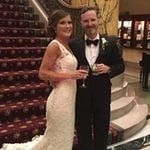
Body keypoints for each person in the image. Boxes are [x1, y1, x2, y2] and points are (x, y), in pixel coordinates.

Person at [1, 9, 88, 150]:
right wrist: (70, 75)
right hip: (60, 101)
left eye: (69, 22)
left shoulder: (67, 45)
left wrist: (63, 76)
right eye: (62, 23)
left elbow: (55, 71)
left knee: (63, 137)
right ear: (54, 27)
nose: (67, 26)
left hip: (69, 99)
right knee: (58, 139)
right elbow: (42, 73)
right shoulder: (54, 46)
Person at [69, 6, 125, 150]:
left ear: (98, 20)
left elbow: (120, 65)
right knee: (83, 132)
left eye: (92, 19)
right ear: (81, 23)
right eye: (86, 21)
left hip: (102, 95)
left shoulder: (110, 43)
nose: (90, 24)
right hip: (82, 96)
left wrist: (109, 69)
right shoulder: (74, 44)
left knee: (101, 131)